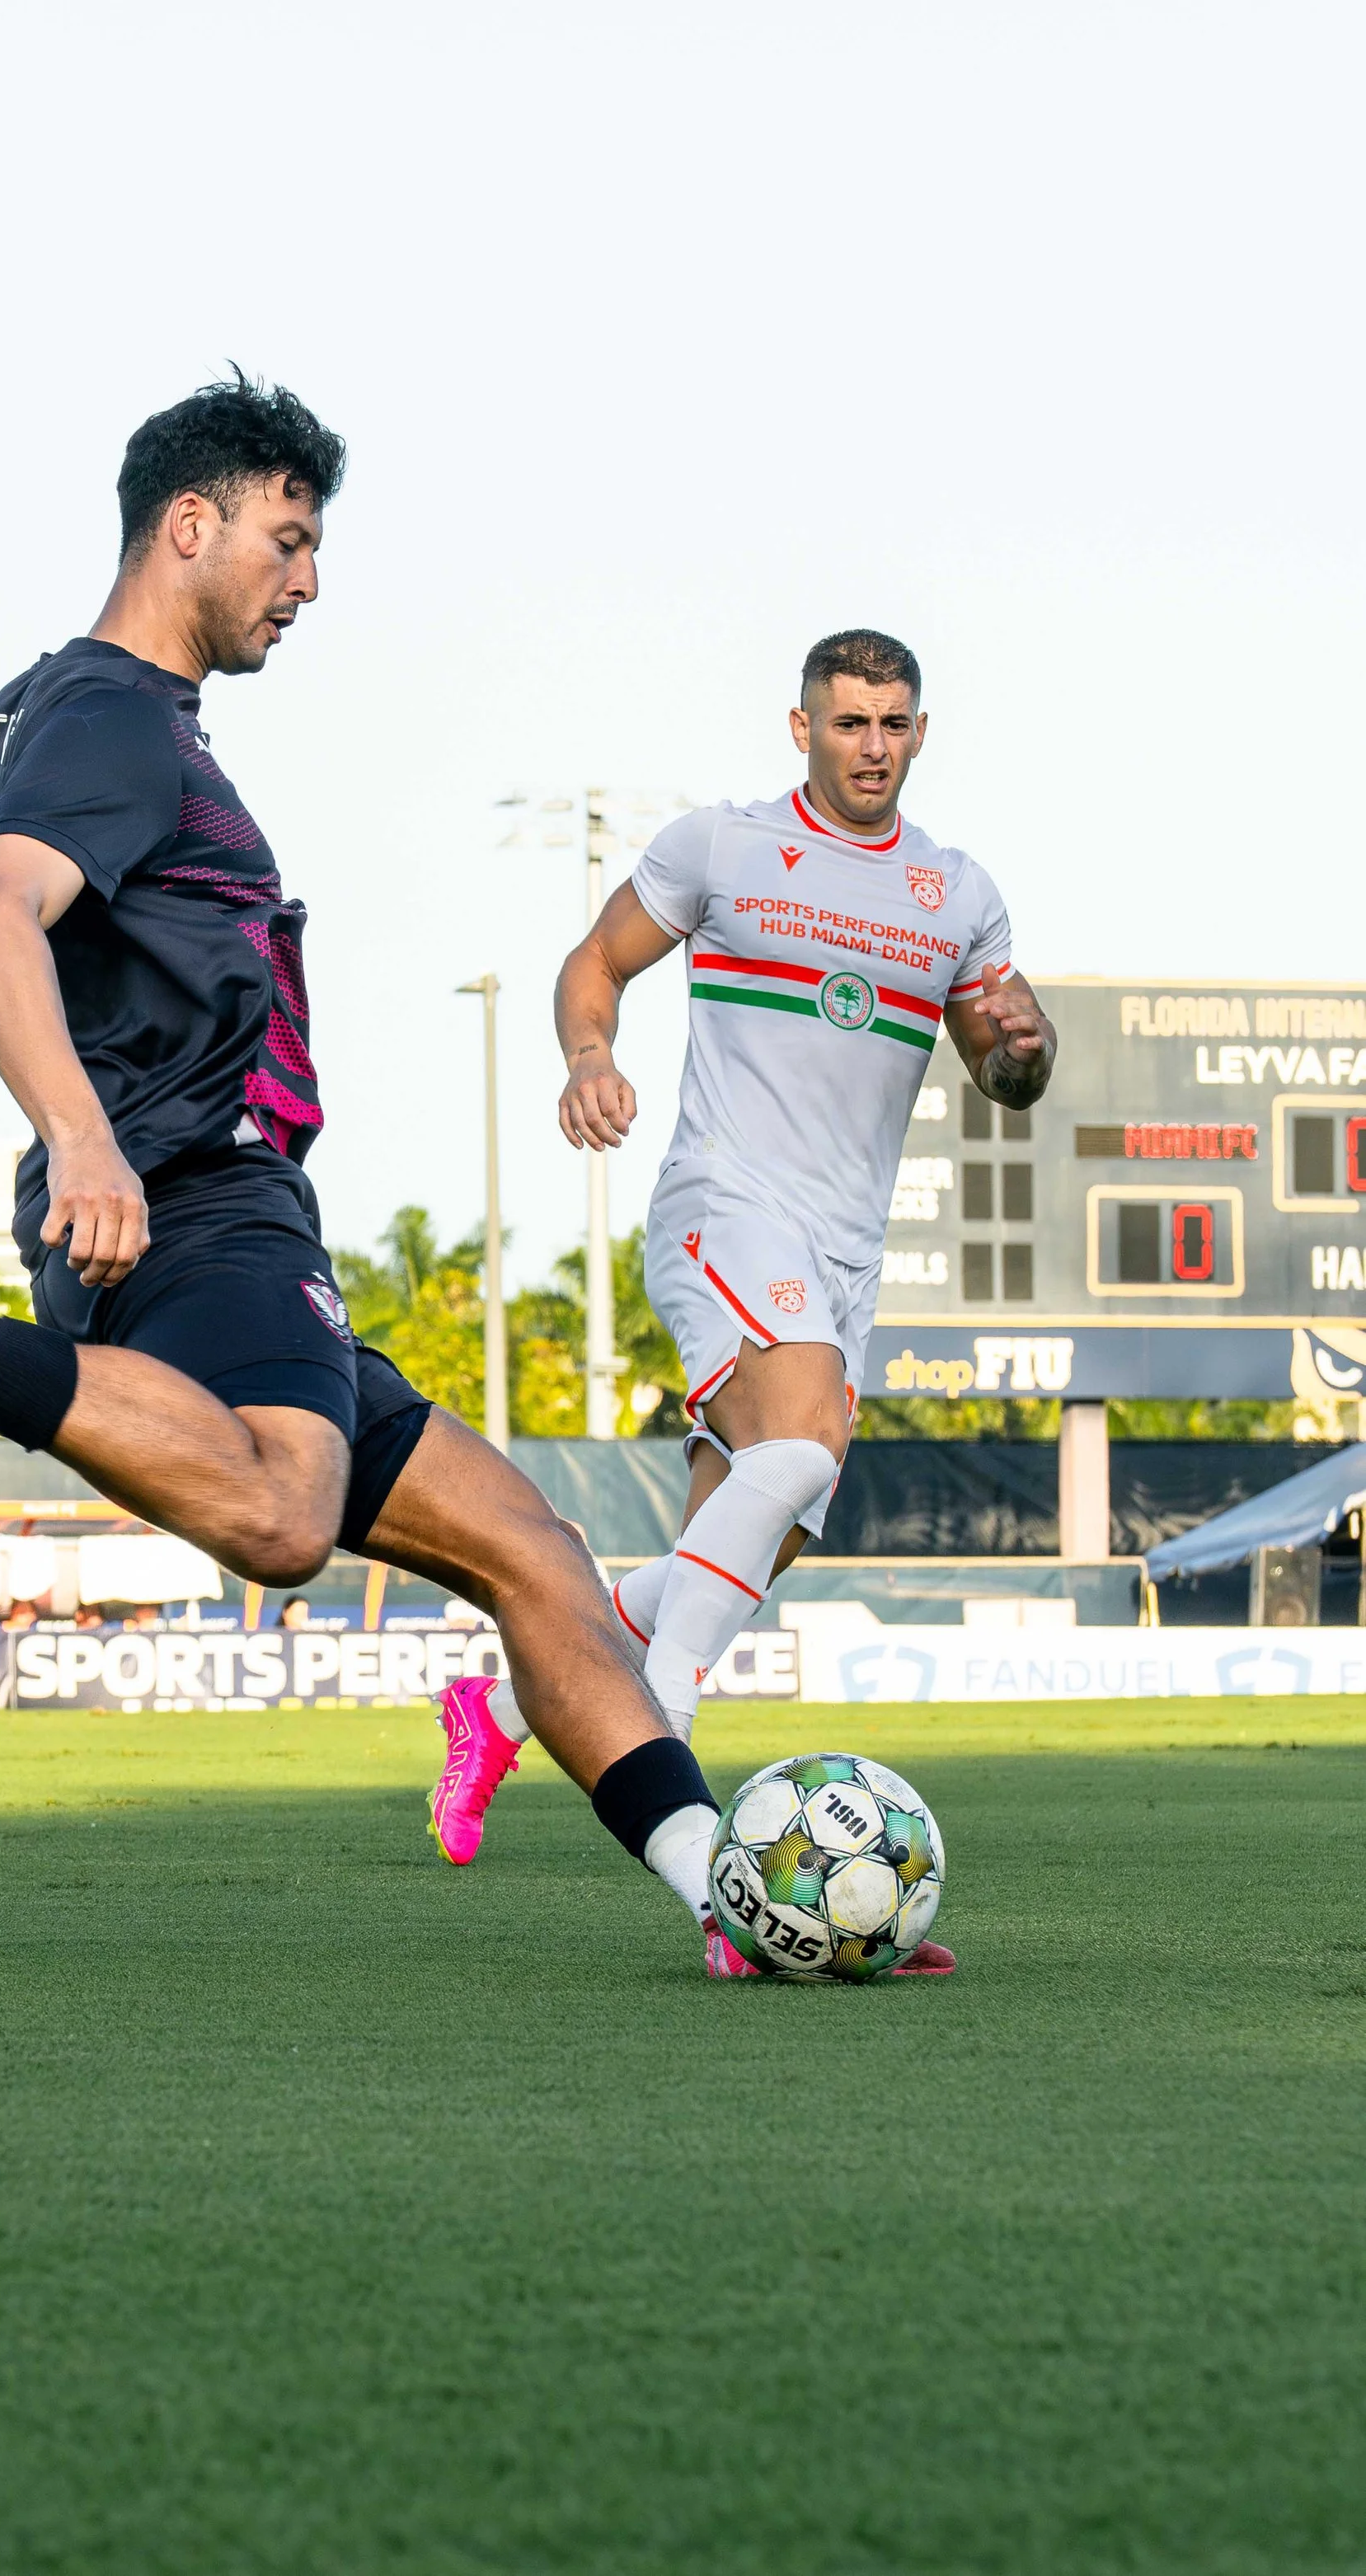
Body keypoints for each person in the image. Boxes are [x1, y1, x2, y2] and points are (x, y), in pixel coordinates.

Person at [0, 374, 770, 1976]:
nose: (305, 580)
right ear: (190, 526)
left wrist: (75, 949)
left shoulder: (35, 715)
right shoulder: (112, 718)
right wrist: (93, 1126)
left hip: (226, 1213)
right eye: (287, 537)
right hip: (189, 1197)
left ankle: (729, 1897)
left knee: (529, 1549)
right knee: (278, 1509)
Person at [430, 629, 1057, 1973]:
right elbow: (590, 966)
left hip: (842, 1252)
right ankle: (665, 1753)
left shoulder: (959, 897)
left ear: (921, 733)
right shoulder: (722, 850)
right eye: (848, 723)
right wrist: (588, 1059)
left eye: (893, 723)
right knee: (798, 1439)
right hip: (725, 1204)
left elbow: (1008, 1067)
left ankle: (510, 1702)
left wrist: (1021, 1047)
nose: (871, 745)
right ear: (802, 728)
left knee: (772, 1524)